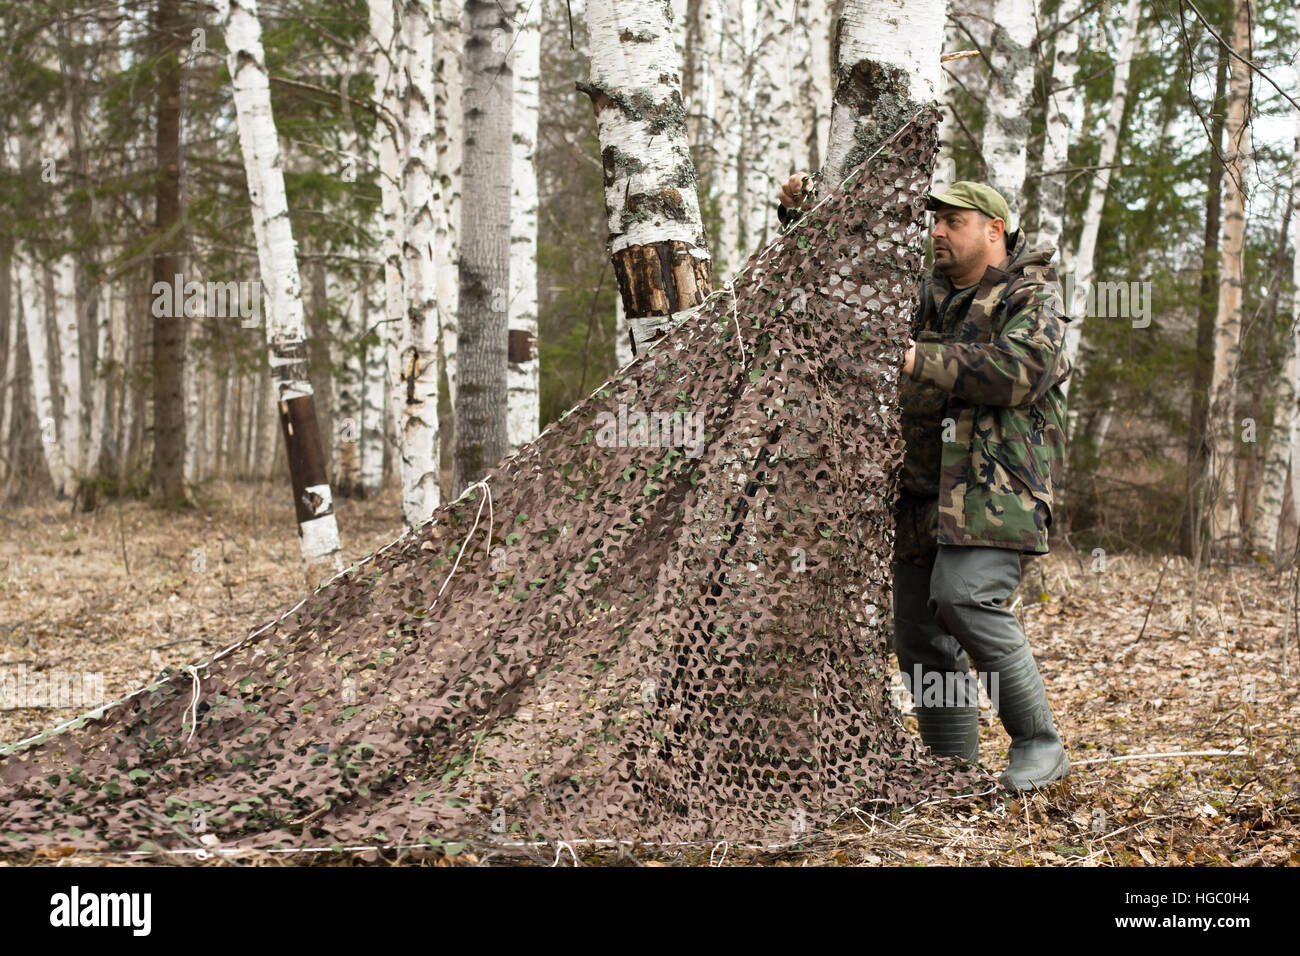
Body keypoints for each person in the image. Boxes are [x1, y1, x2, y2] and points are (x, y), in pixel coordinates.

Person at [776, 173, 1072, 792]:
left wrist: (915, 357)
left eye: (953, 222)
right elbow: (839, 300)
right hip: (921, 491)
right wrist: (802, 219)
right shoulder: (926, 295)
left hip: (997, 492)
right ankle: (952, 769)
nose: (937, 232)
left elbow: (1021, 371)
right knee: (918, 634)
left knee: (964, 597)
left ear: (994, 230)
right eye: (934, 221)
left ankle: (1040, 744)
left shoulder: (1031, 294)